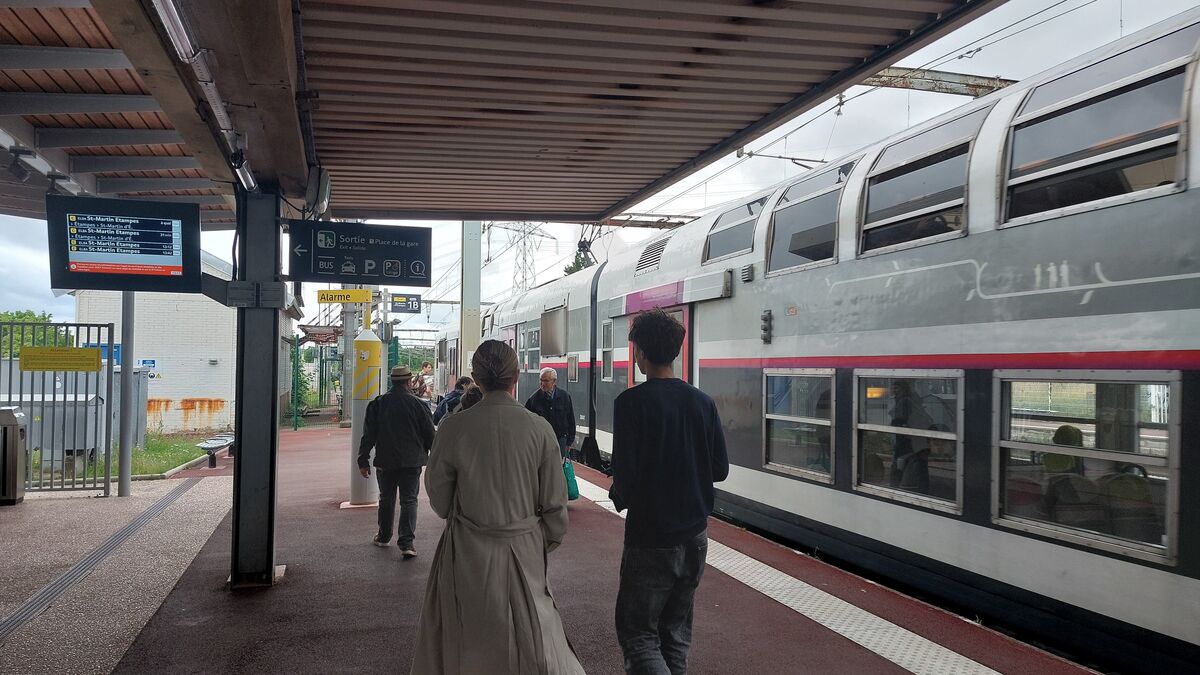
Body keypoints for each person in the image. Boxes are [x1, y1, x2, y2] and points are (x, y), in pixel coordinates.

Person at [412, 340, 584, 675]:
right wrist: (536, 541)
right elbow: (554, 508)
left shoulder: (453, 428)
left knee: (465, 636)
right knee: (534, 637)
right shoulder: (540, 429)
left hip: (466, 551)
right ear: (517, 376)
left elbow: (441, 501)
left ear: (475, 376)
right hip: (524, 548)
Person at [610, 309, 728, 675]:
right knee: (675, 636)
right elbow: (720, 470)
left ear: (640, 352)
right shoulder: (702, 402)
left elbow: (625, 479)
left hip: (651, 538)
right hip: (695, 537)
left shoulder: (631, 403)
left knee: (639, 635)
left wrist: (620, 496)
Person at [357, 365, 435, 559]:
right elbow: (429, 434)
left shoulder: (378, 403)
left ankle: (384, 536)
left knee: (386, 498)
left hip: (386, 460)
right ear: (409, 382)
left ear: (392, 381)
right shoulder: (419, 405)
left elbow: (368, 435)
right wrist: (435, 456)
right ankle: (407, 543)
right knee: (409, 500)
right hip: (411, 461)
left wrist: (363, 459)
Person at [525, 367, 576, 459]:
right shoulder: (533, 399)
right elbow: (527, 422)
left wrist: (569, 441)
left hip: (560, 439)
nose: (542, 383)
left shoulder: (564, 396)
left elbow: (570, 418)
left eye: (546, 381)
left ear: (554, 381)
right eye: (541, 380)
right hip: (541, 441)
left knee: (558, 467)